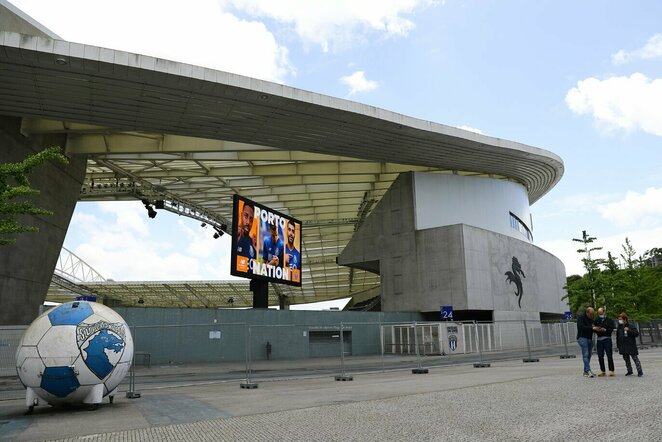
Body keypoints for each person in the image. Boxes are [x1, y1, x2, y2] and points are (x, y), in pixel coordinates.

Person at [616, 312, 644, 377]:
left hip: (631, 345)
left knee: (635, 358)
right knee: (626, 359)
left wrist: (629, 330)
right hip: (623, 345)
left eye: (621, 319)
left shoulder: (631, 326)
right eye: (619, 320)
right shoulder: (619, 327)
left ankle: (640, 371)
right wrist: (618, 345)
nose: (619, 321)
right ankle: (629, 371)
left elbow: (636, 334)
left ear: (625, 319)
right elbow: (617, 336)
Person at [576, 307, 601, 377]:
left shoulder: (591, 319)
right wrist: (592, 328)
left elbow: (591, 328)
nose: (592, 316)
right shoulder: (581, 318)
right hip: (582, 338)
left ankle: (586, 371)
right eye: (591, 314)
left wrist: (597, 329)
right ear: (587, 312)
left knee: (589, 355)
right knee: (586, 354)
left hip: (589, 338)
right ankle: (588, 370)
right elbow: (581, 327)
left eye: (593, 314)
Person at [593, 307, 615, 376]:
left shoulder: (609, 320)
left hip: (607, 338)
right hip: (599, 339)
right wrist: (596, 329)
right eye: (599, 313)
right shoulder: (596, 319)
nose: (600, 315)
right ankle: (602, 370)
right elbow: (593, 328)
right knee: (600, 356)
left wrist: (605, 330)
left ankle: (611, 370)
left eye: (601, 313)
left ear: (604, 312)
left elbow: (611, 328)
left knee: (609, 355)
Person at [236, 202, 256, 272]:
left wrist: (256, 249)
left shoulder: (252, 242)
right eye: (245, 216)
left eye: (251, 219)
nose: (248, 222)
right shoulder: (237, 236)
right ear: (241, 215)